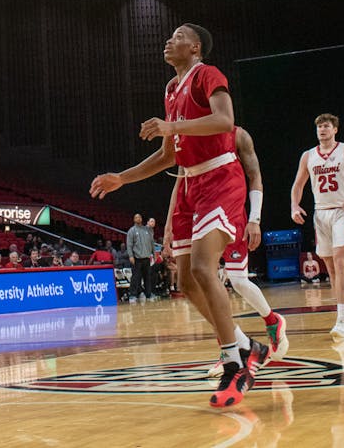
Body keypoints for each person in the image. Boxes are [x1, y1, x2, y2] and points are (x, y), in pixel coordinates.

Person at [90, 23, 269, 408]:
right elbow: (169, 156)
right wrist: (122, 178)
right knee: (187, 280)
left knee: (205, 269)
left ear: (196, 47)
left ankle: (233, 364)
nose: (168, 41)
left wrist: (171, 125)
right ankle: (245, 344)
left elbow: (224, 121)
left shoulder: (208, 74)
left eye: (177, 35)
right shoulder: (172, 89)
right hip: (189, 185)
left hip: (221, 177)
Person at [192, 126, 288, 377]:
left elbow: (254, 176)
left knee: (238, 281)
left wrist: (254, 218)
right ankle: (230, 351)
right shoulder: (193, 135)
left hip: (233, 214)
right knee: (206, 284)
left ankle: (271, 321)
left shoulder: (239, 135)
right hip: (203, 210)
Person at [291, 113, 344, 340]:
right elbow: (298, 184)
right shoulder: (308, 156)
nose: (322, 130)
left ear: (335, 129)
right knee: (331, 267)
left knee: (340, 260)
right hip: (321, 213)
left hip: (343, 212)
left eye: (326, 126)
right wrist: (294, 206)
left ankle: (341, 318)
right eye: (319, 127)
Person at [125, 213, 155, 303]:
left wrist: (153, 254)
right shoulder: (132, 230)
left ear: (141, 219)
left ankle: (148, 294)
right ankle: (133, 295)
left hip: (146, 257)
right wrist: (130, 256)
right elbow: (129, 244)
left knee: (147, 277)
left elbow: (151, 242)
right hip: (137, 258)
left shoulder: (147, 230)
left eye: (139, 217)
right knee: (135, 277)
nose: (138, 219)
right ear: (134, 220)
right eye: (136, 217)